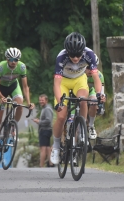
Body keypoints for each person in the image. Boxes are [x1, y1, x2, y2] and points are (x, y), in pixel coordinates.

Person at [50, 32, 105, 165]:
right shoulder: (61, 57)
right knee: (61, 116)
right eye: (72, 55)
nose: (75, 58)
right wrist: (59, 102)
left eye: (78, 55)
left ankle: (82, 131)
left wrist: (99, 94)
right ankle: (56, 147)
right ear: (67, 52)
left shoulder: (89, 54)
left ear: (83, 51)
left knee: (83, 99)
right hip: (64, 82)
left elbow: (97, 78)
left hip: (79, 80)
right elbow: (56, 83)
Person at [0, 47, 35, 160]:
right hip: (1, 89)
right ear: (7, 59)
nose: (13, 62)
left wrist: (29, 102)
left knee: (19, 106)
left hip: (14, 87)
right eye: (11, 59)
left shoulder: (22, 67)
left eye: (16, 59)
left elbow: (25, 87)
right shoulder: (0, 67)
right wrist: (1, 97)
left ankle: (12, 126)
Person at [32, 94, 54, 167]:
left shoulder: (47, 109)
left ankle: (41, 165)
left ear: (46, 100)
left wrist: (39, 122)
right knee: (47, 147)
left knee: (43, 148)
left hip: (45, 130)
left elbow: (48, 120)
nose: (41, 101)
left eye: (42, 100)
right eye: (40, 100)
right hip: (45, 130)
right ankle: (50, 163)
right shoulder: (45, 108)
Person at [85, 69, 105, 139]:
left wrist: (101, 98)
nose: (90, 70)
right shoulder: (79, 72)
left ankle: (91, 126)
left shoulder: (99, 75)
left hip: (90, 91)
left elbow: (101, 91)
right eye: (88, 67)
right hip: (77, 91)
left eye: (93, 67)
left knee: (94, 101)